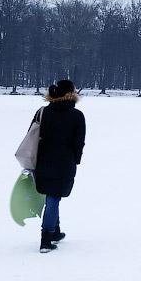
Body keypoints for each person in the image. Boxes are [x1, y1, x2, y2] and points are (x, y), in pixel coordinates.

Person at [33, 79, 86, 253]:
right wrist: (76, 160)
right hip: (64, 162)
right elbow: (79, 143)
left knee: (51, 195)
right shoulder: (77, 116)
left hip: (41, 160)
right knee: (54, 198)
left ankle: (54, 231)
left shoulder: (43, 112)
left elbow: (31, 136)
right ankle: (46, 238)